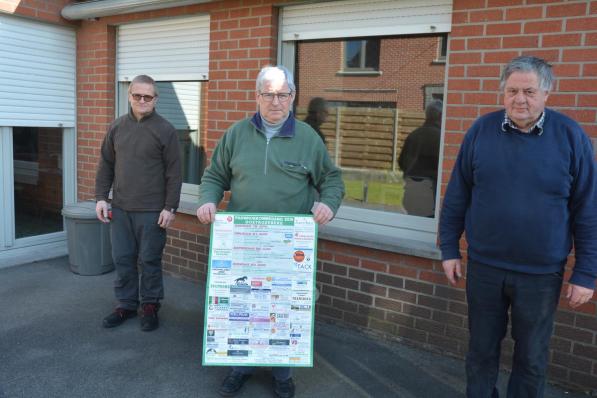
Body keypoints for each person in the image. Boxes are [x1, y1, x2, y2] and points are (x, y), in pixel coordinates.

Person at [440, 55, 597, 397]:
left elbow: (588, 209)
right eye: (512, 91)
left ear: (547, 94)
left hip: (540, 275)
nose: (519, 99)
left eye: (529, 91)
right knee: (480, 352)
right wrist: (449, 248)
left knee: (531, 358)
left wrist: (586, 272)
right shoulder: (481, 131)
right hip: (485, 267)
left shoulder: (570, 137)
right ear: (503, 92)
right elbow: (457, 196)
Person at [196, 65, 344, 398]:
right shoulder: (236, 134)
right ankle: (241, 368)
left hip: (287, 247)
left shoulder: (308, 138)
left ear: (292, 97)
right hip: (242, 243)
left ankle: (282, 374)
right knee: (243, 306)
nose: (275, 101)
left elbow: (331, 180)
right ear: (257, 96)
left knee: (284, 310)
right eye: (268, 94)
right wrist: (207, 200)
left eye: (283, 94)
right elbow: (215, 176)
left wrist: (328, 204)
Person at [95, 74, 182, 332]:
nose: (142, 100)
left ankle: (150, 306)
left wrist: (170, 207)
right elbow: (106, 165)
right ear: (129, 96)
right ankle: (126, 304)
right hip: (120, 208)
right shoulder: (117, 127)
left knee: (149, 260)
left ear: (155, 99)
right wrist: (101, 197)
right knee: (122, 259)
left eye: (148, 96)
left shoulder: (165, 130)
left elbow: (174, 173)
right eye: (137, 95)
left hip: (152, 211)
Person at [398, 99, 442, 217]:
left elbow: (402, 162)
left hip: (411, 196)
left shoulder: (414, 135)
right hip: (430, 198)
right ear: (440, 116)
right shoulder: (441, 139)